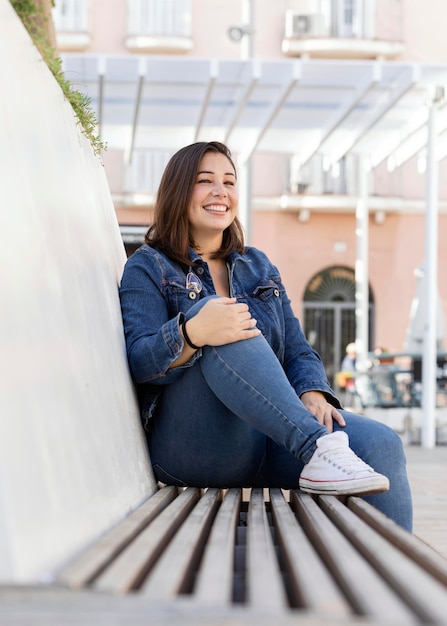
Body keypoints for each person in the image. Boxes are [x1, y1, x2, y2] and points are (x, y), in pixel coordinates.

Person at [119, 141, 413, 531]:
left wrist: (313, 393)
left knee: (382, 444)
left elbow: (296, 348)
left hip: (271, 437)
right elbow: (139, 361)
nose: (220, 191)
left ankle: (391, 582)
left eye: (229, 181)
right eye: (204, 181)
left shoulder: (258, 266)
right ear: (178, 190)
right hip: (194, 445)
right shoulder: (148, 266)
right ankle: (317, 448)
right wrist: (190, 333)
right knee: (226, 322)